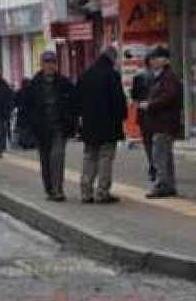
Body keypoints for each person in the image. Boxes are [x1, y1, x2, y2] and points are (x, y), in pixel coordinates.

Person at [21, 50, 76, 202]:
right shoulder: (34, 84)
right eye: (47, 62)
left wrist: (71, 121)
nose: (50, 65)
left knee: (57, 158)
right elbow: (25, 107)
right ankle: (50, 188)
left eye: (52, 62)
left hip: (59, 127)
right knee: (45, 160)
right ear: (42, 64)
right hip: (41, 129)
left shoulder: (64, 83)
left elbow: (74, 102)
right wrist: (28, 127)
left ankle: (58, 189)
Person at [77, 45, 128, 204]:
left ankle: (86, 192)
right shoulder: (112, 75)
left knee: (89, 157)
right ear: (112, 58)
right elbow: (118, 101)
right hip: (108, 126)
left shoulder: (86, 74)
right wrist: (122, 116)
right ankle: (102, 192)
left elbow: (77, 100)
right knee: (105, 157)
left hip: (90, 125)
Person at [141, 46, 183, 198]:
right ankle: (169, 184)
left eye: (155, 58)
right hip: (161, 122)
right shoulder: (159, 77)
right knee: (165, 155)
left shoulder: (168, 77)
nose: (152, 61)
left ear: (164, 60)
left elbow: (169, 97)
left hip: (164, 122)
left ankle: (162, 184)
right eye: (151, 58)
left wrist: (150, 104)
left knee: (160, 155)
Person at [130, 55, 157, 184]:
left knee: (148, 141)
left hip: (143, 113)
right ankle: (159, 166)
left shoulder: (138, 77)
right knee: (158, 141)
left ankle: (152, 164)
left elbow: (134, 96)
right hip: (158, 114)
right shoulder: (159, 77)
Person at [14, 78, 33, 149]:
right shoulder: (32, 91)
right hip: (30, 114)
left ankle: (24, 143)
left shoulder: (19, 92)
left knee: (22, 129)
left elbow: (14, 101)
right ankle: (30, 143)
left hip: (22, 114)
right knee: (30, 129)